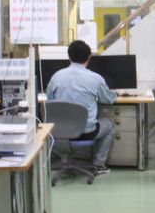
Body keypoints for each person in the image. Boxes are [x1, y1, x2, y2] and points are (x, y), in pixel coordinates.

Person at [46, 40, 117, 174]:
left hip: (59, 133)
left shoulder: (56, 77)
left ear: (69, 57)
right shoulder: (95, 78)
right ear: (89, 57)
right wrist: (114, 94)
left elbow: (49, 101)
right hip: (86, 133)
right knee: (110, 126)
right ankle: (98, 165)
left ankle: (64, 160)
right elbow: (109, 99)